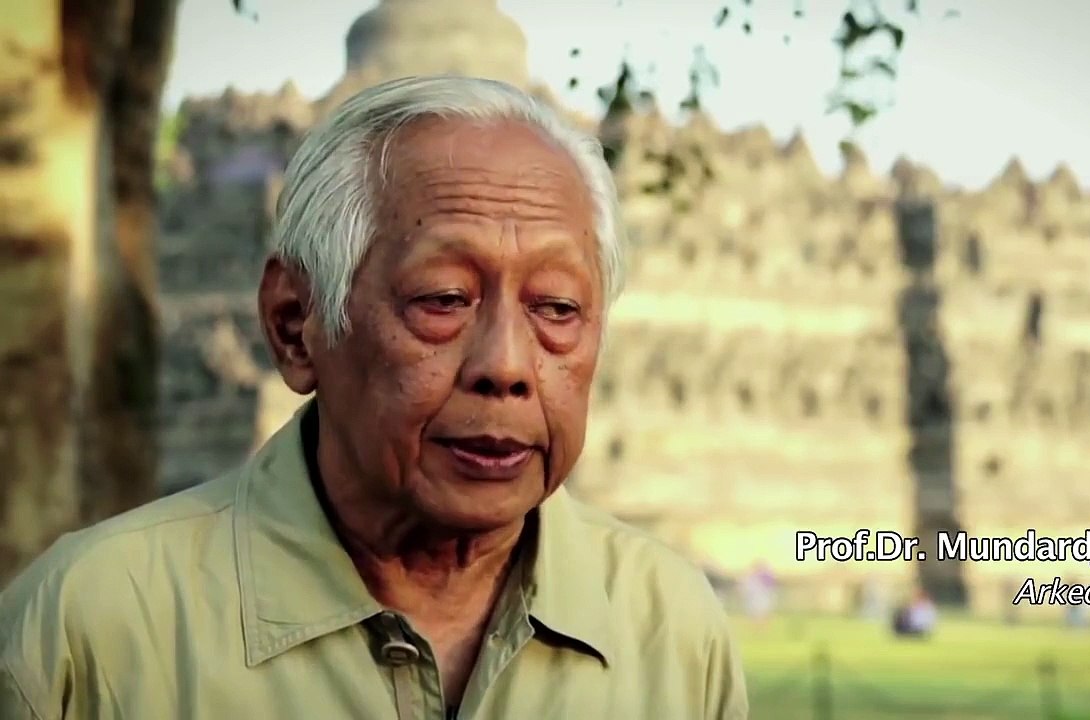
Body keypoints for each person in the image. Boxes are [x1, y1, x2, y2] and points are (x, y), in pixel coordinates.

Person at [0, 76, 748, 720]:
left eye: (557, 308)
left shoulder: (671, 630)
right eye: (444, 298)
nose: (508, 367)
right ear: (296, 328)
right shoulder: (89, 630)